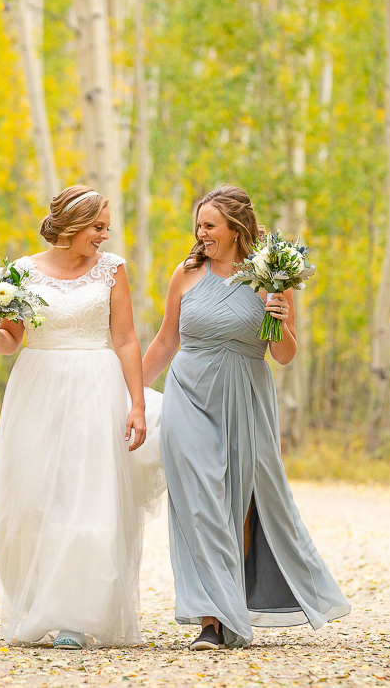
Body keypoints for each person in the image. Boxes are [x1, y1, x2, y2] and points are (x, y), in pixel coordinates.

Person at [142, 185, 350, 650]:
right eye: (199, 225)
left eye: (209, 226)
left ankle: (230, 603)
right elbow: (164, 342)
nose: (201, 234)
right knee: (198, 501)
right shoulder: (186, 273)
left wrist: (280, 315)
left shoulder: (270, 277)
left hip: (245, 397)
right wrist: (129, 391)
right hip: (187, 394)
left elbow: (284, 353)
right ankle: (212, 621)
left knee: (236, 504)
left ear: (236, 230)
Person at [0, 185, 160, 649]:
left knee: (87, 501)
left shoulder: (112, 269)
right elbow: (11, 341)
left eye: (105, 226)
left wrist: (136, 402)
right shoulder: (21, 272)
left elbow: (125, 339)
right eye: (97, 226)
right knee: (30, 504)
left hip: (96, 388)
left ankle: (77, 616)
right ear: (73, 225)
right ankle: (37, 606)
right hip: (37, 389)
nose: (104, 234)